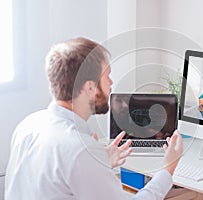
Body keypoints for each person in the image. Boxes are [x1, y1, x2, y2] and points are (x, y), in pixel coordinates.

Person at [5, 37, 183, 200]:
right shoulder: (80, 149)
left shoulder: (28, 124)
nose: (111, 83)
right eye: (107, 76)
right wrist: (169, 167)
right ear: (90, 87)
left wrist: (100, 164)